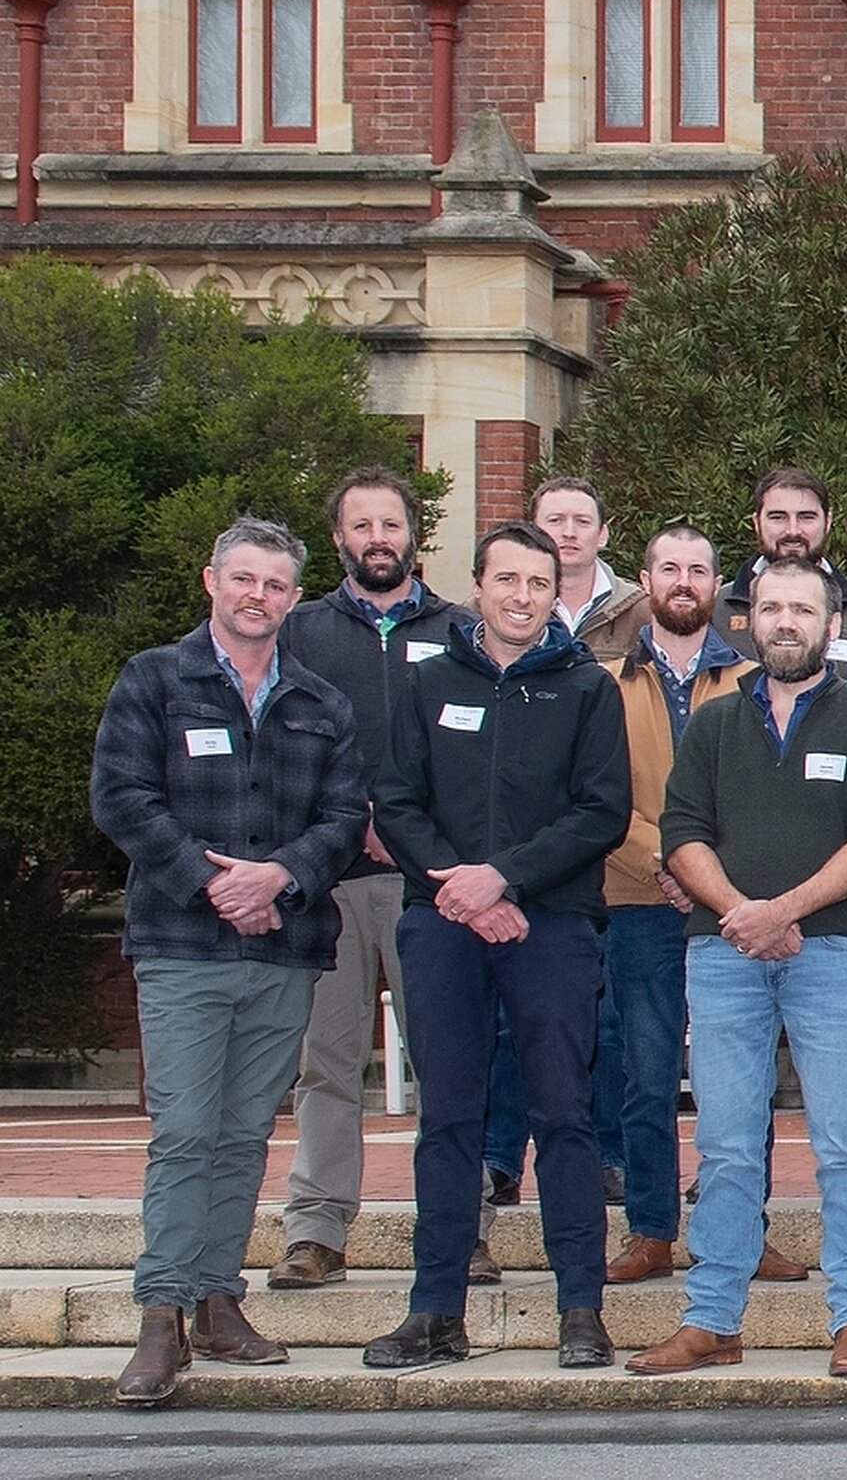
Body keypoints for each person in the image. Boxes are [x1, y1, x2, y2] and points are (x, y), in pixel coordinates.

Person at [93, 517, 365, 1407]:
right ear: (212, 582)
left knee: (245, 1133)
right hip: (183, 945)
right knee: (183, 1132)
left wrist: (281, 876)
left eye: (276, 584)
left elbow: (342, 820)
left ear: (294, 597)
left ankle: (218, 1301)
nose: (259, 596)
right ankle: (160, 1316)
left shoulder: (321, 703)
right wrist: (211, 883)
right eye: (243, 579)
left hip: (283, 950)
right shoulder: (154, 682)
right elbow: (122, 799)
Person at [622, 558, 847, 1378]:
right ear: (748, 621)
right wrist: (737, 916)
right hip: (722, 956)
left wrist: (781, 911)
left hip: (835, 954)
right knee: (724, 1146)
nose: (787, 621)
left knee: (845, 1144)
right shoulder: (712, 726)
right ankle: (712, 1318)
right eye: (773, 608)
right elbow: (681, 835)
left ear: (831, 624)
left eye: (804, 609)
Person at [360, 519, 629, 1373]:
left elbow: (599, 812)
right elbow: (396, 802)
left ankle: (580, 1310)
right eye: (506, 581)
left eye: (539, 585)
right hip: (441, 923)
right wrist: (461, 889)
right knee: (449, 1119)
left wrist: (504, 880)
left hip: (550, 927)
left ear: (559, 596)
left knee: (564, 1117)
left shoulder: (586, 689)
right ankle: (433, 1310)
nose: (522, 598)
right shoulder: (429, 682)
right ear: (475, 586)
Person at [269, 469, 465, 1293]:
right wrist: (356, 822)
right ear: (340, 538)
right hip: (330, 881)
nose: (378, 537)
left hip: (435, 884)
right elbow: (278, 754)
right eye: (361, 525)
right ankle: (316, 1231)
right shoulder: (299, 632)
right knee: (327, 1061)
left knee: (448, 1062)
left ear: (412, 534)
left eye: (391, 523)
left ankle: (460, 1227)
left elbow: (474, 763)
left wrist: (414, 831)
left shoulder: (460, 628)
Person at [597, 523, 755, 1288]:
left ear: (716, 584)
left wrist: (709, 875)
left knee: (740, 1080)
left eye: (698, 569)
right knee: (647, 1074)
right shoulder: (605, 682)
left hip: (734, 905)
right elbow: (595, 797)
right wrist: (666, 860)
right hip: (637, 899)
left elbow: (770, 799)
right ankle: (652, 1228)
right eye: (669, 568)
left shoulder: (755, 681)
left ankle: (743, 1229)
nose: (683, 580)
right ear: (645, 579)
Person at [718, 467, 847, 689]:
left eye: (806, 517)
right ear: (756, 522)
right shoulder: (717, 609)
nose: (792, 531)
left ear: (827, 521)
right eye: (778, 517)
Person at [530, 475, 643, 649]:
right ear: (532, 531)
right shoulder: (498, 606)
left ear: (602, 535)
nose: (569, 532)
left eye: (582, 521)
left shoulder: (641, 611)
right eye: (555, 520)